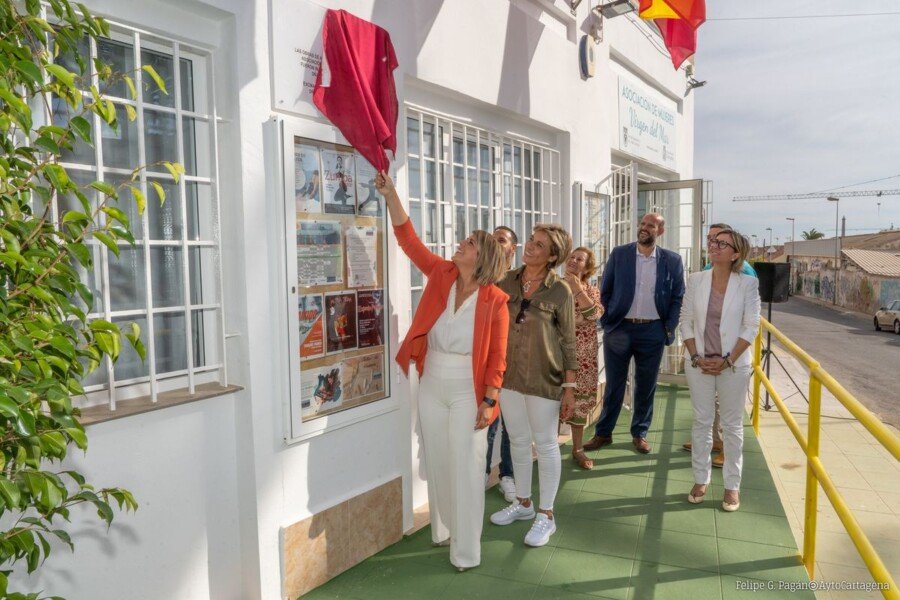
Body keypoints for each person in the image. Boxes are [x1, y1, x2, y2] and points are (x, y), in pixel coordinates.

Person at [375, 171, 509, 571]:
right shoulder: (442, 274)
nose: (460, 244)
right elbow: (408, 240)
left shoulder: (496, 299)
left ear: (481, 257)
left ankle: (466, 552)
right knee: (438, 459)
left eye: (467, 243)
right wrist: (390, 194)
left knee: (468, 465)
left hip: (470, 389)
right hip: (432, 379)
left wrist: (490, 399)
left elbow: (499, 356)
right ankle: (443, 529)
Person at [490, 224, 577, 548]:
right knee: (518, 440)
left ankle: (546, 514)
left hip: (545, 378)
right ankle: (524, 504)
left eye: (539, 245)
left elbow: (569, 341)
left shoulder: (560, 290)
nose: (530, 247)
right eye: (530, 241)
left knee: (545, 443)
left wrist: (569, 386)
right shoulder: (506, 280)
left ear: (553, 255)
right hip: (509, 377)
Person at [584, 213, 685, 455]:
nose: (643, 228)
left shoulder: (672, 260)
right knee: (614, 384)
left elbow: (677, 297)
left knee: (646, 385)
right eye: (642, 224)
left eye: (650, 225)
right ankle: (603, 433)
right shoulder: (620, 254)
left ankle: (639, 433)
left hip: (653, 330)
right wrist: (608, 321)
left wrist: (667, 329)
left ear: (659, 231)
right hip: (620, 328)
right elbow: (605, 290)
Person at [681, 229, 760, 512]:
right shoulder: (696, 280)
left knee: (732, 425)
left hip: (734, 366)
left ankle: (732, 486)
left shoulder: (748, 285)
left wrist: (727, 360)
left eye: (721, 243)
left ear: (735, 254)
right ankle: (700, 479)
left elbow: (751, 326)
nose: (713, 246)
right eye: (712, 242)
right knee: (702, 422)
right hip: (699, 364)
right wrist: (695, 355)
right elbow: (686, 320)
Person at [485, 225, 519, 502]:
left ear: (513, 248)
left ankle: (508, 475)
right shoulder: (482, 278)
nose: (497, 244)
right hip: (487, 364)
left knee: (511, 425)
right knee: (486, 423)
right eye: (493, 239)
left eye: (502, 240)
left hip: (515, 363)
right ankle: (481, 473)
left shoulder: (520, 279)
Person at [562, 247, 604, 470]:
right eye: (571, 257)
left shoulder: (591, 289)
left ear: (587, 267)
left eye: (579, 259)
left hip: (584, 358)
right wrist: (577, 317)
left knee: (579, 403)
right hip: (556, 354)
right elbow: (557, 319)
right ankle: (545, 448)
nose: (573, 261)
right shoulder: (555, 286)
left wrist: (578, 289)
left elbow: (594, 315)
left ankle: (577, 449)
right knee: (550, 401)